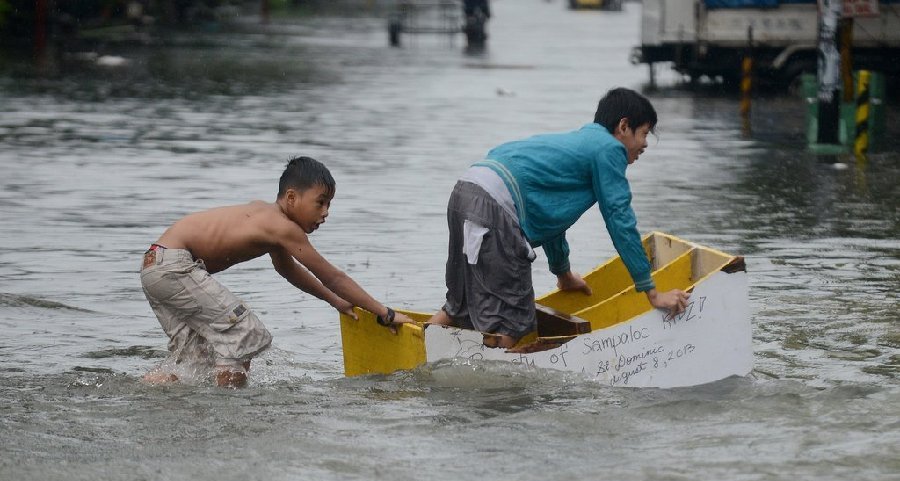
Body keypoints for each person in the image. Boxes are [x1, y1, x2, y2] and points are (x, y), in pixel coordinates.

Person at [428, 87, 690, 349]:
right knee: (514, 321)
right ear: (623, 126)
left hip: (466, 191)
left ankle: (418, 346)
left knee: (459, 305)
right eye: (644, 133)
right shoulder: (610, 150)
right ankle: (492, 381)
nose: (645, 144)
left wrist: (562, 273)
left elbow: (551, 217)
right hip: (497, 205)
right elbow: (620, 220)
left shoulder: (580, 143)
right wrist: (652, 292)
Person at [140, 156, 414, 387]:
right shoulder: (282, 227)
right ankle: (228, 411)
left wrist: (335, 301)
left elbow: (287, 269)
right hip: (175, 266)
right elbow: (333, 276)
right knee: (245, 333)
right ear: (292, 197)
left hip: (155, 266)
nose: (326, 212)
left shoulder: (267, 217)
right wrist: (384, 313)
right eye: (320, 202)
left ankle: (146, 391)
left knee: (195, 361)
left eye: (329, 204)